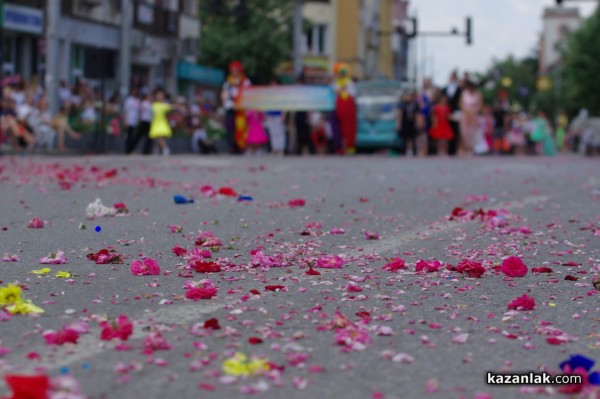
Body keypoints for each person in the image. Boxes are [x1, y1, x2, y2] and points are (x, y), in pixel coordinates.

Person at [221, 61, 251, 153]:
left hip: (241, 109)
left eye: (236, 69)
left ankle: (241, 148)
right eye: (232, 70)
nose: (234, 71)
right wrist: (228, 102)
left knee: (241, 127)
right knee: (229, 127)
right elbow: (224, 94)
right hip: (230, 107)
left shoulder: (245, 81)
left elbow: (248, 94)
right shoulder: (227, 82)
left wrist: (240, 103)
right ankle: (231, 147)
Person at [332, 63, 357, 154]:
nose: (340, 74)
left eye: (342, 72)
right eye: (339, 72)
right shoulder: (335, 82)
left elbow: (352, 94)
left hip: (348, 107)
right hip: (338, 107)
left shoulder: (350, 82)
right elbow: (335, 92)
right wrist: (342, 88)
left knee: (349, 128)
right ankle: (339, 148)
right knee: (338, 129)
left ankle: (350, 148)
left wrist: (342, 89)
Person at [458, 80, 482, 155]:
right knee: (464, 132)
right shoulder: (464, 93)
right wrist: (466, 110)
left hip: (473, 115)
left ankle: (471, 149)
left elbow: (480, 106)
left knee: (472, 133)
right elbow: (460, 104)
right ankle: (464, 148)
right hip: (465, 114)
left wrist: (473, 111)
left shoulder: (478, 94)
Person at [264, 79, 286, 156]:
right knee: (273, 133)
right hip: (270, 115)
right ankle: (275, 149)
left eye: (275, 84)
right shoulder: (268, 95)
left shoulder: (281, 95)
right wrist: (265, 114)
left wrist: (283, 115)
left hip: (278, 115)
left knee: (280, 132)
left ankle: (281, 149)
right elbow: (266, 105)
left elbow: (285, 105)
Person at [148, 88, 173, 155]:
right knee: (158, 137)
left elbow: (172, 107)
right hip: (155, 123)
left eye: (161, 95)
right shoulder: (153, 105)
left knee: (160, 137)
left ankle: (164, 148)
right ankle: (159, 149)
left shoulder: (164, 105)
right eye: (158, 95)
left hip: (162, 123)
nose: (160, 96)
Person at [397, 90, 420, 156]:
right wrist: (399, 124)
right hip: (405, 122)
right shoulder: (402, 105)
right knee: (406, 138)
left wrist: (418, 122)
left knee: (413, 137)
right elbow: (399, 115)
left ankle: (413, 150)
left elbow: (417, 114)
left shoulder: (414, 104)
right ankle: (407, 150)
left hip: (412, 123)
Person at [124, 87, 140, 153]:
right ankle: (128, 149)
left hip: (135, 121)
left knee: (133, 135)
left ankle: (131, 148)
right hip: (129, 120)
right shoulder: (128, 100)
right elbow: (126, 111)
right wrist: (126, 120)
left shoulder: (137, 100)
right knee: (129, 135)